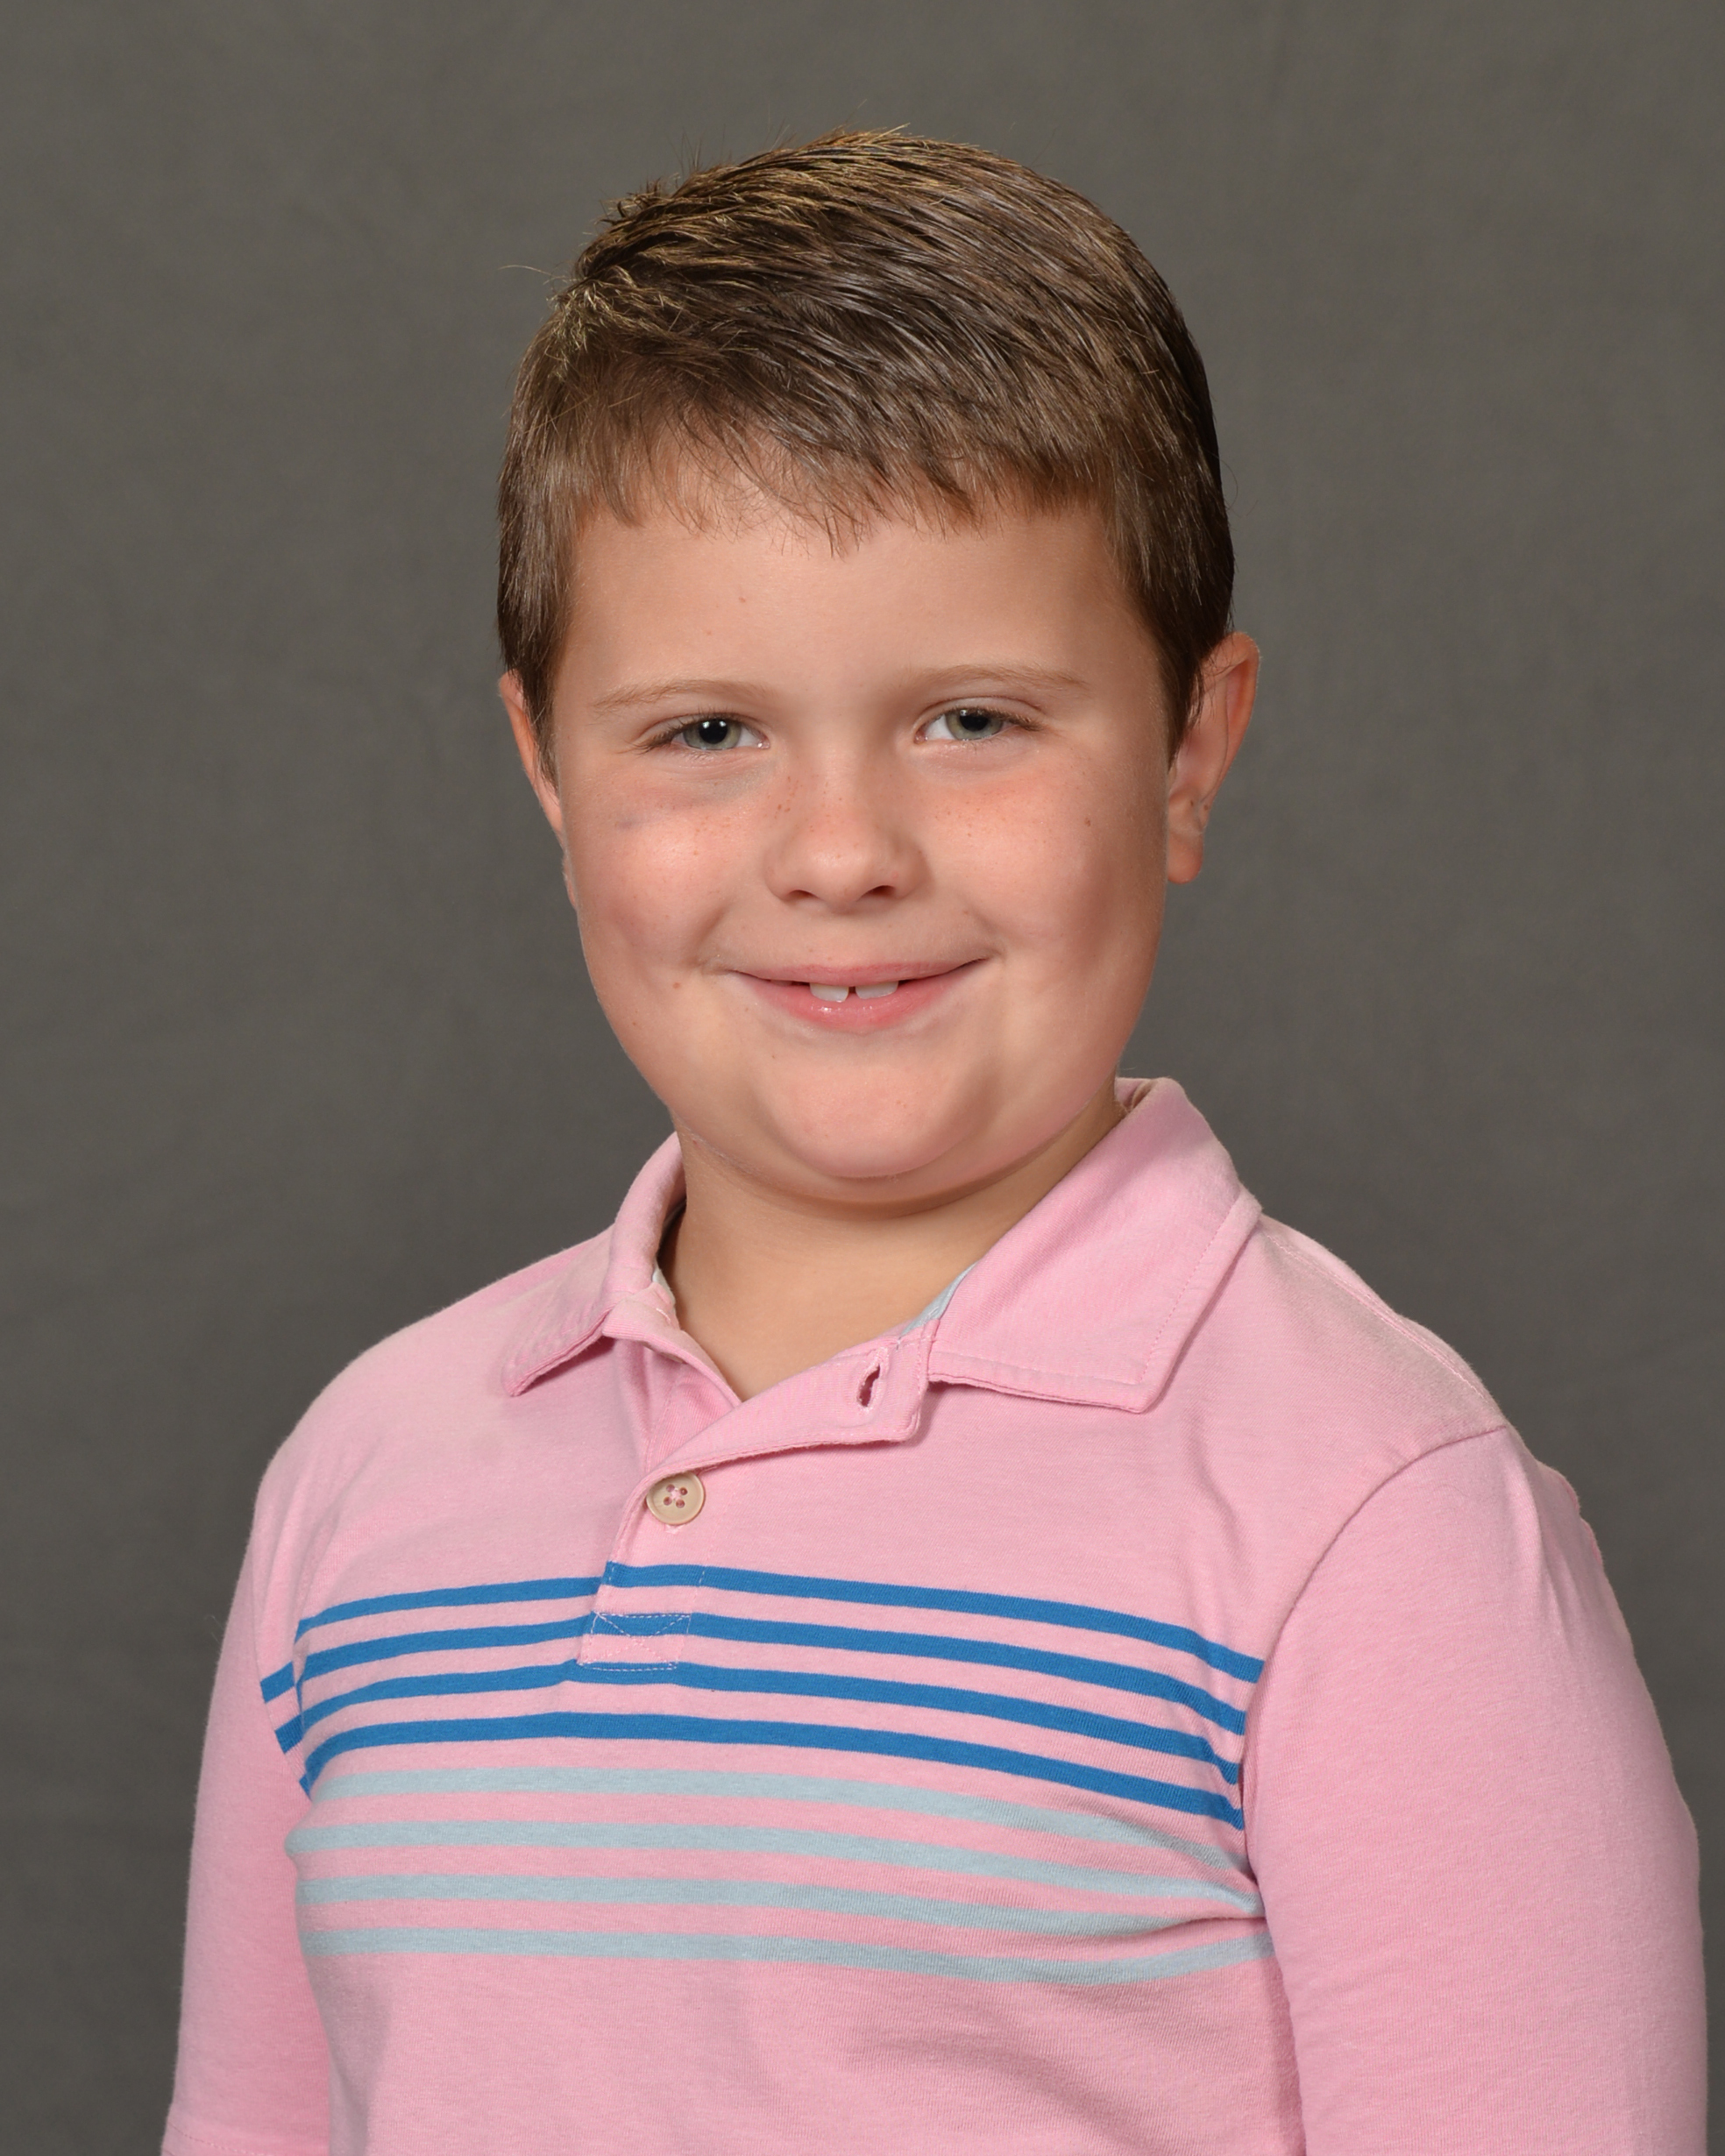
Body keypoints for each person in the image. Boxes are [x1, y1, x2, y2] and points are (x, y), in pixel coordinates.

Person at [162, 132, 1704, 2155]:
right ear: (545, 763)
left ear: (1190, 751)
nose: (841, 856)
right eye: (707, 732)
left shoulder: (1375, 1527)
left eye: (972, 719)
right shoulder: (368, 1481)